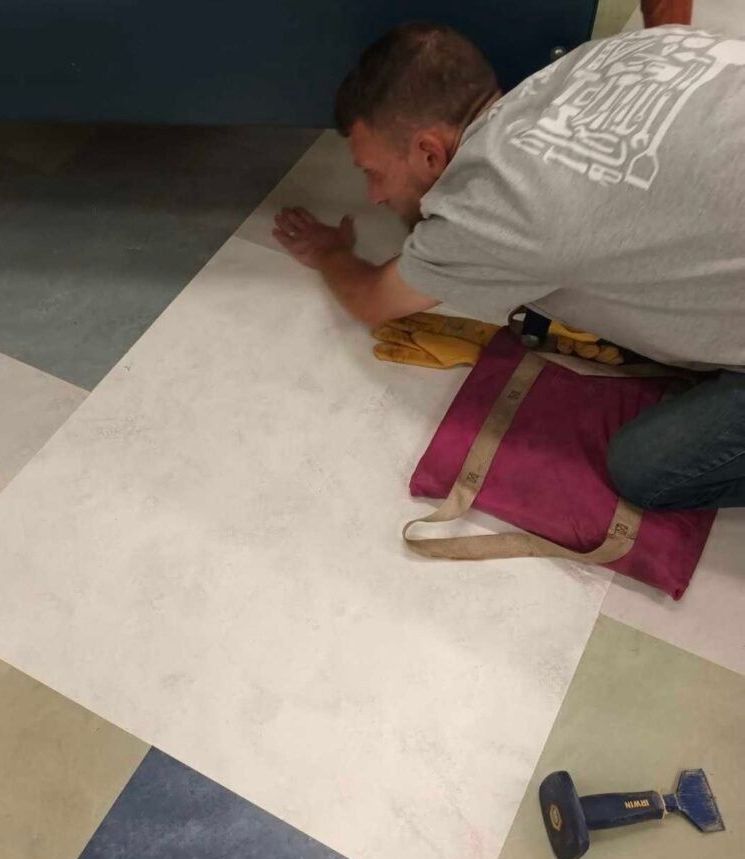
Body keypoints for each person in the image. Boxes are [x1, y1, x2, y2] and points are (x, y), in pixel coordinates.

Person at [273, 22, 745, 512]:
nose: (374, 196)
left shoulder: (500, 205)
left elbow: (373, 300)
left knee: (648, 468)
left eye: (374, 173)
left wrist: (330, 253)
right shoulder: (602, 56)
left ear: (430, 151)